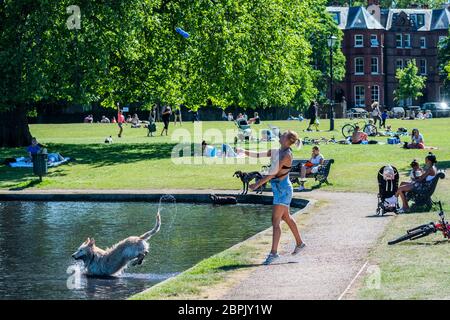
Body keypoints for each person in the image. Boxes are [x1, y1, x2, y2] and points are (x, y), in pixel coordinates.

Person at [238, 130, 306, 265]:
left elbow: (272, 173)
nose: (280, 136)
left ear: (288, 140)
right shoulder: (277, 151)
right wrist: (243, 151)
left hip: (283, 190)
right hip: (279, 189)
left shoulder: (286, 155)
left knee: (275, 221)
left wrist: (257, 184)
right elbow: (258, 155)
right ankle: (300, 243)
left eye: (283, 135)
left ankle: (273, 253)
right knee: (286, 217)